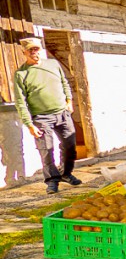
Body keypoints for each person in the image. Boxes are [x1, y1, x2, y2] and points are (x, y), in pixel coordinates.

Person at [13, 36, 81, 195]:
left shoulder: (53, 64)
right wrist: (29, 124)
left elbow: (64, 82)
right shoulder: (21, 74)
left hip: (62, 113)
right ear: (24, 52)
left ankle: (66, 173)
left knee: (70, 146)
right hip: (41, 118)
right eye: (30, 50)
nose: (34, 52)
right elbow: (20, 101)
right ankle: (52, 181)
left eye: (36, 49)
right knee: (46, 149)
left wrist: (69, 101)